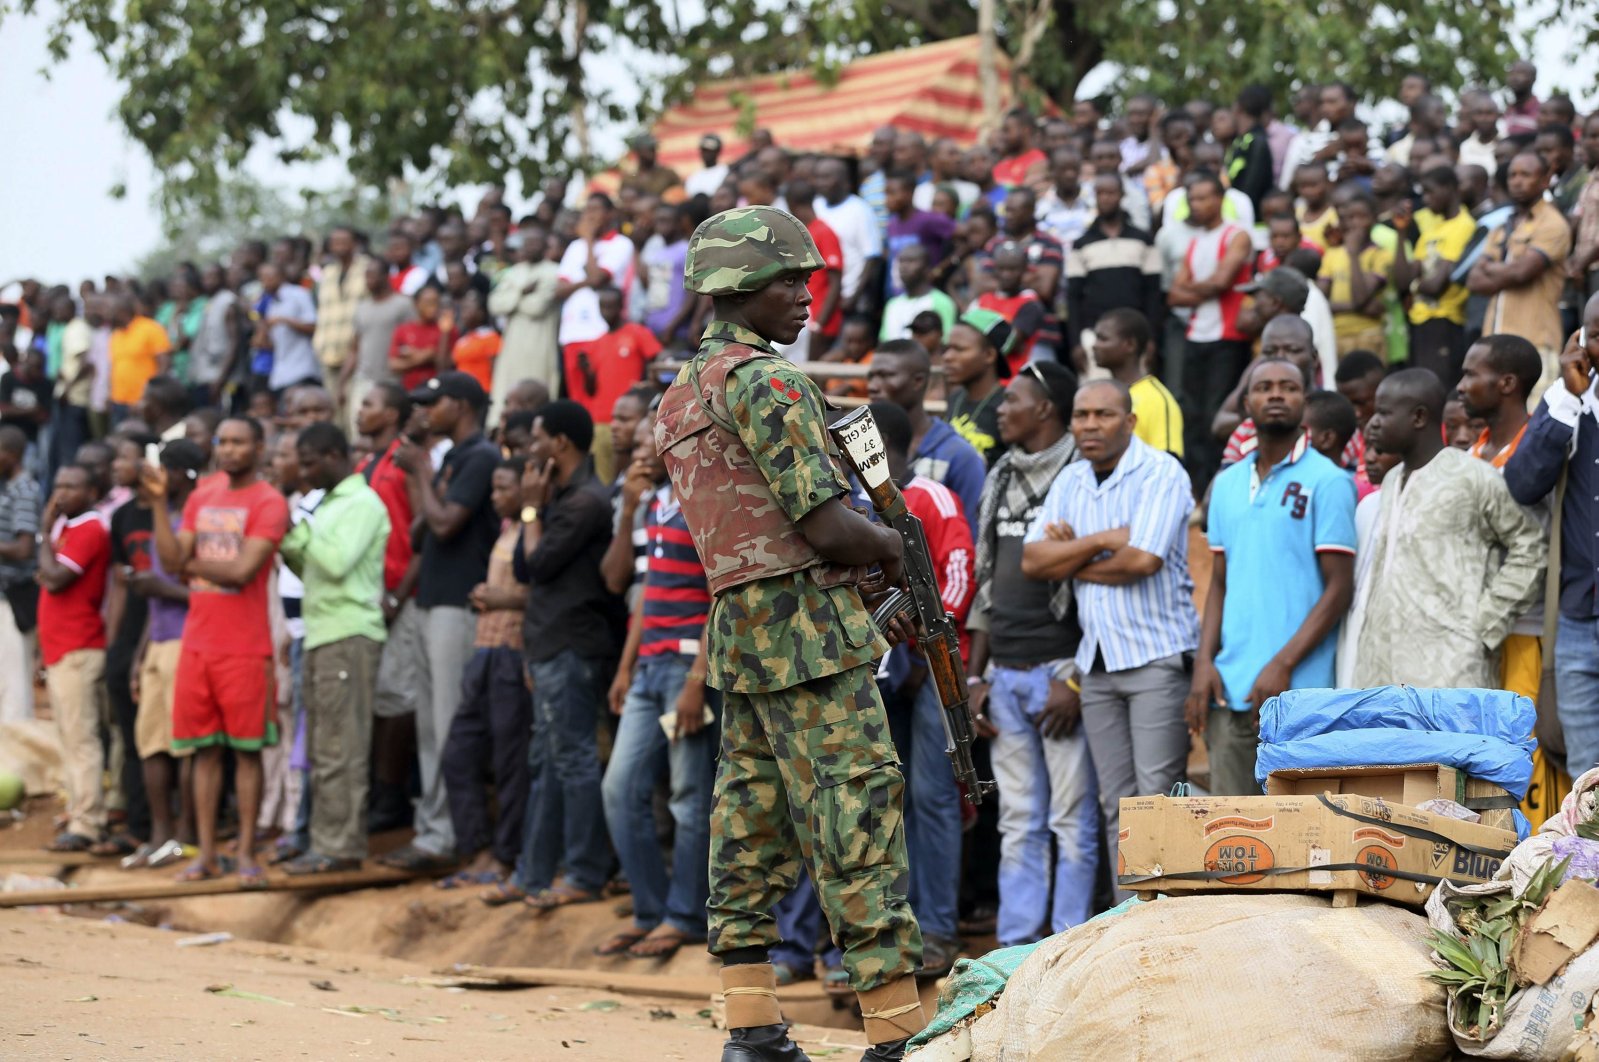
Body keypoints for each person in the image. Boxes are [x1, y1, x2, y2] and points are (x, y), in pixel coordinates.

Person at [653, 206, 926, 1059]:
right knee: (858, 819)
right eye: (787, 281)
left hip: (739, 632)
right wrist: (895, 543)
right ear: (738, 288)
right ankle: (895, 1033)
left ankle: (751, 1028)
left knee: (747, 828)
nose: (805, 298)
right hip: (808, 629)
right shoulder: (767, 383)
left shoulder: (676, 395)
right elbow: (824, 526)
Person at [1021, 378, 1198, 900]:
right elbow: (1032, 562)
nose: (1090, 425)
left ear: (1130, 421)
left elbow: (1143, 560)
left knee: (1158, 802)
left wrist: (1070, 560)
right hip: (1095, 663)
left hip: (1155, 657)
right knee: (1116, 805)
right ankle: (1127, 927)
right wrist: (1100, 542)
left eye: (1103, 414)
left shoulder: (1161, 471)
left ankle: (1170, 924)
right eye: (1082, 415)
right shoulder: (1072, 478)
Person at [965, 362, 1097, 945]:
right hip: (1006, 670)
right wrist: (975, 677)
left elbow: (1096, 586)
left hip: (1060, 671)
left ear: (1044, 409)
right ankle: (1017, 950)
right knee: (1018, 821)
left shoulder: (1083, 474)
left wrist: (1073, 680)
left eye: (1012, 399)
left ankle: (1068, 945)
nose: (1000, 407)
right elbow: (986, 583)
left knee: (1071, 819)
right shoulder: (999, 475)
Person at [1187, 359, 1356, 796]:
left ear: (1304, 401)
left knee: (1301, 841)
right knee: (1229, 837)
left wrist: (1282, 663)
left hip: (1302, 693)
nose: (1276, 394)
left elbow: (1340, 588)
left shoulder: (1330, 481)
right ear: (1248, 404)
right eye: (1264, 387)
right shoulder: (1225, 484)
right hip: (1230, 688)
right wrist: (1204, 663)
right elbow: (1220, 582)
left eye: (1288, 387)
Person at [146, 416, 289, 884]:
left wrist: (190, 563)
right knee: (203, 752)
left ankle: (246, 853)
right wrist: (157, 504)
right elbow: (169, 563)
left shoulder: (269, 501)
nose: (228, 450)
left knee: (247, 755)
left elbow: (243, 571)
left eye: (239, 442)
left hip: (246, 647)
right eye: (223, 441)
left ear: (259, 447)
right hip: (199, 643)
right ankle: (206, 855)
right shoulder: (202, 494)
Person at [598, 421, 718, 959]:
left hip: (687, 670)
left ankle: (684, 916)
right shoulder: (650, 506)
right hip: (649, 668)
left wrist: (698, 680)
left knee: (690, 798)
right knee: (619, 790)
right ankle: (651, 911)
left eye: (648, 441)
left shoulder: (707, 500)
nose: (638, 450)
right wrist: (626, 667)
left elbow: (722, 596)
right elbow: (628, 586)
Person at [1356, 369, 1545, 689]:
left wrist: (1485, 626)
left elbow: (1530, 545)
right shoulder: (1390, 481)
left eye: (1384, 413)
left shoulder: (1473, 476)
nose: (1373, 422)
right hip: (1381, 671)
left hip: (1452, 671)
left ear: (1418, 417)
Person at [379, 372, 500, 872]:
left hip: (458, 603)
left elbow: (445, 522)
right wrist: (423, 478)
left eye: (436, 402)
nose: (426, 412)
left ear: (463, 405)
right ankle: (434, 831)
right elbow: (420, 530)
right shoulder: (451, 456)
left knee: (449, 722)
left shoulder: (480, 456)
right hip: (432, 598)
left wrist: (423, 476)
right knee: (430, 723)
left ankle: (450, 835)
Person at [509, 400, 622, 907]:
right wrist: (536, 506)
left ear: (559, 443)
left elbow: (535, 564)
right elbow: (523, 563)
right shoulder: (566, 497)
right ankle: (535, 873)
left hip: (571, 644)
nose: (529, 449)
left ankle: (583, 873)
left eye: (536, 438)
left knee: (573, 760)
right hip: (551, 644)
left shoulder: (587, 503)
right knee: (549, 761)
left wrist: (531, 508)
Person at [276, 422, 389, 874]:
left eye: (309, 463)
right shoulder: (325, 505)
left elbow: (337, 563)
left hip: (349, 633)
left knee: (342, 746)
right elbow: (312, 569)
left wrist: (301, 531)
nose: (303, 473)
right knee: (322, 747)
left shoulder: (361, 503)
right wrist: (293, 541)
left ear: (333, 456)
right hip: (321, 633)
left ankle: (340, 847)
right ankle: (324, 842)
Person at [1507, 302, 1599, 777]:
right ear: (1581, 342)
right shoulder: (1570, 400)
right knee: (1587, 784)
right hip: (1579, 623)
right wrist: (1566, 392)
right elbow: (1522, 483)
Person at [435, 456, 532, 891]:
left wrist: (503, 599)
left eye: (503, 488)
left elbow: (545, 594)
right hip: (485, 649)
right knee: (459, 751)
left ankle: (504, 856)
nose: (495, 497)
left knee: (510, 760)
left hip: (513, 653)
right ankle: (475, 848)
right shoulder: (507, 529)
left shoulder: (533, 531)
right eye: (493, 489)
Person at [1459, 334, 1548, 703]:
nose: (1461, 387)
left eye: (1470, 376)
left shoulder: (1541, 454)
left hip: (1528, 626)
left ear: (1507, 383)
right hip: (1472, 627)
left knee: (1525, 745)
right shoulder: (1471, 454)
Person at [129, 439, 203, 869]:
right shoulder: (167, 518)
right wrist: (140, 655)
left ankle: (187, 834)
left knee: (187, 744)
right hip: (158, 639)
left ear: (181, 474)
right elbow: (154, 595)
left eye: (165, 470)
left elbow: (205, 593)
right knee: (152, 742)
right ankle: (160, 834)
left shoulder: (195, 519)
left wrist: (161, 588)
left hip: (188, 638)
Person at [353, 382, 421, 832]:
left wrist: (399, 595)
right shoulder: (364, 463)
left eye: (369, 405)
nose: (360, 412)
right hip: (368, 596)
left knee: (397, 698)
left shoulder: (404, 461)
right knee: (377, 698)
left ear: (393, 414)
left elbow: (421, 532)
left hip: (402, 594)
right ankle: (380, 793)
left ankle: (392, 798)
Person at [37, 463, 111, 851]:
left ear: (92, 491)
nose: (61, 493)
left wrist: (42, 531)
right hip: (59, 646)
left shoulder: (90, 529)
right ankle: (79, 811)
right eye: (58, 484)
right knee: (69, 735)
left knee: (82, 738)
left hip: (80, 645)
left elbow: (56, 577)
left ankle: (88, 822)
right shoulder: (65, 529)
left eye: (72, 486)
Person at [1169, 171, 1255, 491]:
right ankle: (1198, 485)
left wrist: (1193, 287)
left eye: (1204, 197)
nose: (1197, 204)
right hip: (1197, 335)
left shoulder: (1237, 235)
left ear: (1220, 199)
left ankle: (1219, 487)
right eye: (1192, 198)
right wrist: (1205, 288)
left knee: (1216, 414)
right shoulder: (1195, 242)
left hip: (1228, 337)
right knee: (1192, 415)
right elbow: (1173, 295)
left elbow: (1221, 282)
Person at [1470, 152, 1574, 401]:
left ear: (1545, 180)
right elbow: (1474, 281)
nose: (1517, 181)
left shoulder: (1553, 224)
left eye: (1526, 175)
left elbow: (1522, 272)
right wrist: (1510, 271)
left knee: (1532, 423)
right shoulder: (1501, 227)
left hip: (1535, 342)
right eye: (1513, 175)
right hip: (1494, 345)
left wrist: (1495, 269)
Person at [867, 339, 986, 535]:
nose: (873, 386)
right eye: (871, 377)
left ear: (918, 381)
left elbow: (969, 537)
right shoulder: (863, 447)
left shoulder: (959, 456)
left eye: (886, 376)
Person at [1064, 172, 1163, 370]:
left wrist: (1152, 338)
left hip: (1135, 338)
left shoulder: (1143, 240)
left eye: (1111, 193)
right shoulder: (1081, 244)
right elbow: (1073, 297)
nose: (1105, 198)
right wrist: (1075, 343)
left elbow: (1153, 293)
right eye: (1100, 193)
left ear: (1122, 195)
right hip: (1094, 334)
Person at [560, 287, 660, 477]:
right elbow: (590, 390)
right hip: (601, 421)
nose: (607, 312)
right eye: (602, 307)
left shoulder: (636, 332)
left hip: (631, 419)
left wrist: (646, 385)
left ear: (621, 306)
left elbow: (656, 358)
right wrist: (587, 372)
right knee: (604, 475)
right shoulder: (597, 342)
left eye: (611, 307)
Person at [1394, 165, 1474, 383]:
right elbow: (1402, 279)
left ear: (1449, 188)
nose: (1426, 199)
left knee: (1438, 389)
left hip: (1445, 322)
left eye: (1430, 192)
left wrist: (1415, 285)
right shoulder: (1432, 230)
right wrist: (1401, 232)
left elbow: (1436, 286)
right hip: (1420, 321)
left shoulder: (1464, 226)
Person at [487, 227, 560, 418]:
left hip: (540, 342)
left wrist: (513, 299)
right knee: (506, 387)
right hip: (512, 343)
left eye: (535, 243)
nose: (530, 247)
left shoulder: (554, 271)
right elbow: (495, 304)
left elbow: (537, 307)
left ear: (545, 246)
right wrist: (522, 292)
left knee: (536, 391)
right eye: (527, 243)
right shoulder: (512, 272)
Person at [1091, 307, 1183, 457]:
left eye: (1103, 339)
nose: (1095, 345)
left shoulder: (1156, 399)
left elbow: (1168, 461)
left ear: (1130, 345)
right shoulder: (1099, 394)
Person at [1318, 192, 1393, 358]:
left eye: (1362, 217)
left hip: (1369, 335)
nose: (1355, 224)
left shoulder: (1380, 255)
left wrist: (1353, 255)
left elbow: (1361, 296)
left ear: (1374, 219)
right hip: (1336, 336)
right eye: (1350, 218)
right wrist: (1355, 307)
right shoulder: (1332, 254)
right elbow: (1320, 302)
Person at [557, 193, 637, 350]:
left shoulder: (621, 243)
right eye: (587, 210)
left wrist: (588, 238)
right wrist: (586, 282)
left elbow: (596, 279)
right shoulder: (574, 246)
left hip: (603, 332)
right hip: (572, 333)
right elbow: (558, 290)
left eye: (595, 210)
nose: (590, 216)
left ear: (610, 214)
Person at [942, 308, 1016, 467]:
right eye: (947, 348)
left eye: (959, 349)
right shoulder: (955, 398)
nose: (947, 357)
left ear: (989, 355)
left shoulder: (1008, 406)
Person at [782, 182, 845, 360]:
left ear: (791, 204)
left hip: (820, 322)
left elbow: (835, 283)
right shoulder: (805, 232)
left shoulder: (824, 231)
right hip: (807, 319)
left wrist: (819, 324)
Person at [0, 427, 38, 723]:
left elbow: (24, 549)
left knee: (14, 682)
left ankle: (14, 759)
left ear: (11, 455)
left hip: (13, 596)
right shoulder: (8, 487)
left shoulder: (24, 490)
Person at [814, 158, 884, 317]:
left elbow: (872, 257)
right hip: (821, 296)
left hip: (849, 297)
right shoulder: (816, 206)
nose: (820, 182)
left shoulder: (860, 209)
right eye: (817, 177)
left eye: (826, 177)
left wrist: (855, 296)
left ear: (843, 180)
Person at [312, 226, 371, 402]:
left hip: (358, 355)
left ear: (354, 244)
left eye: (344, 241)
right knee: (333, 411)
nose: (339, 246)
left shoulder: (368, 268)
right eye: (335, 242)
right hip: (328, 353)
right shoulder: (327, 273)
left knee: (356, 412)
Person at [976, 242, 1054, 367]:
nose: (1006, 275)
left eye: (1012, 269)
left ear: (1024, 269)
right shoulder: (984, 299)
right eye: (1001, 268)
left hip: (1013, 376)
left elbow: (1009, 343)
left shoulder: (1030, 304)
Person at [884, 172, 955, 299]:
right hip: (898, 296)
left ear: (909, 192)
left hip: (925, 295)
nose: (887, 199)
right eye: (886, 193)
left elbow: (967, 234)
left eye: (892, 193)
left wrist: (942, 267)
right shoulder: (891, 225)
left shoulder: (928, 220)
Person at [254, 262, 320, 395]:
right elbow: (267, 344)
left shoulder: (298, 294)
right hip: (281, 374)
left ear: (281, 276)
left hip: (302, 370)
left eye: (269, 276)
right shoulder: (270, 303)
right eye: (262, 278)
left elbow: (313, 326)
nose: (265, 281)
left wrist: (283, 320)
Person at [109, 295, 172, 422]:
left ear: (122, 312)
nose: (107, 315)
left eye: (110, 311)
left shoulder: (150, 328)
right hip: (119, 402)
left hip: (144, 402)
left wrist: (149, 397)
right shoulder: (115, 334)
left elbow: (164, 363)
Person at [879, 243, 956, 343]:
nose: (904, 267)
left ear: (927, 267)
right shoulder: (892, 305)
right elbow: (884, 342)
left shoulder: (942, 302)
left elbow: (945, 342)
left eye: (911, 261)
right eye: (901, 261)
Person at [388, 285, 450, 392]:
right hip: (409, 390)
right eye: (428, 303)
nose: (434, 307)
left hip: (435, 391)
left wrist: (413, 355)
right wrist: (424, 356)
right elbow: (393, 366)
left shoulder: (446, 329)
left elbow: (445, 366)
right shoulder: (403, 329)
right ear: (416, 304)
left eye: (436, 303)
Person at [1226, 84, 1277, 213]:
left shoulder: (1256, 142)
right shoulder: (1241, 141)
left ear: (1238, 107)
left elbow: (1250, 189)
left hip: (1249, 221)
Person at [447, 290, 501, 392]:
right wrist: (445, 332)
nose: (463, 313)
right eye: (463, 309)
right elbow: (447, 366)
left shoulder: (491, 337)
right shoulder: (462, 340)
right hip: (462, 393)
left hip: (483, 392)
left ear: (481, 313)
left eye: (468, 309)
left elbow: (496, 371)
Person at [685, 133, 729, 198]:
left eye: (710, 151)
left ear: (718, 151)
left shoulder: (726, 172)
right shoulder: (694, 176)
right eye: (704, 150)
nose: (706, 154)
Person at [1504, 60, 1541, 137]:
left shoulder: (1542, 112)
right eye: (1512, 73)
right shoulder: (1508, 111)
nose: (1514, 78)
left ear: (1534, 78)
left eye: (1521, 73)